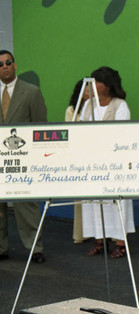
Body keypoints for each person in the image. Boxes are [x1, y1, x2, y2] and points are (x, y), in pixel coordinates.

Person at [80, 66, 135, 259]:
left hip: (114, 164)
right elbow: (80, 128)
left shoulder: (120, 106)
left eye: (97, 82)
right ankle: (99, 240)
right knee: (95, 202)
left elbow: (120, 134)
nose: (93, 86)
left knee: (116, 202)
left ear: (107, 85)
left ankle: (120, 243)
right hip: (93, 162)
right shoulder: (88, 105)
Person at [0, 50, 48, 264]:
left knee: (26, 204)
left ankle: (34, 247)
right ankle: (1, 248)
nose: (4, 67)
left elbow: (41, 127)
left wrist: (39, 159)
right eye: (0, 64)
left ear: (15, 65)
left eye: (8, 62)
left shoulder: (31, 92)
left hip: (24, 160)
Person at [66, 79, 90, 244]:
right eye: (87, 91)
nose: (90, 94)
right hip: (80, 156)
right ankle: (80, 233)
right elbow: (70, 131)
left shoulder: (98, 108)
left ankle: (100, 234)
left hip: (97, 155)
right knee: (81, 199)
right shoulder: (72, 110)